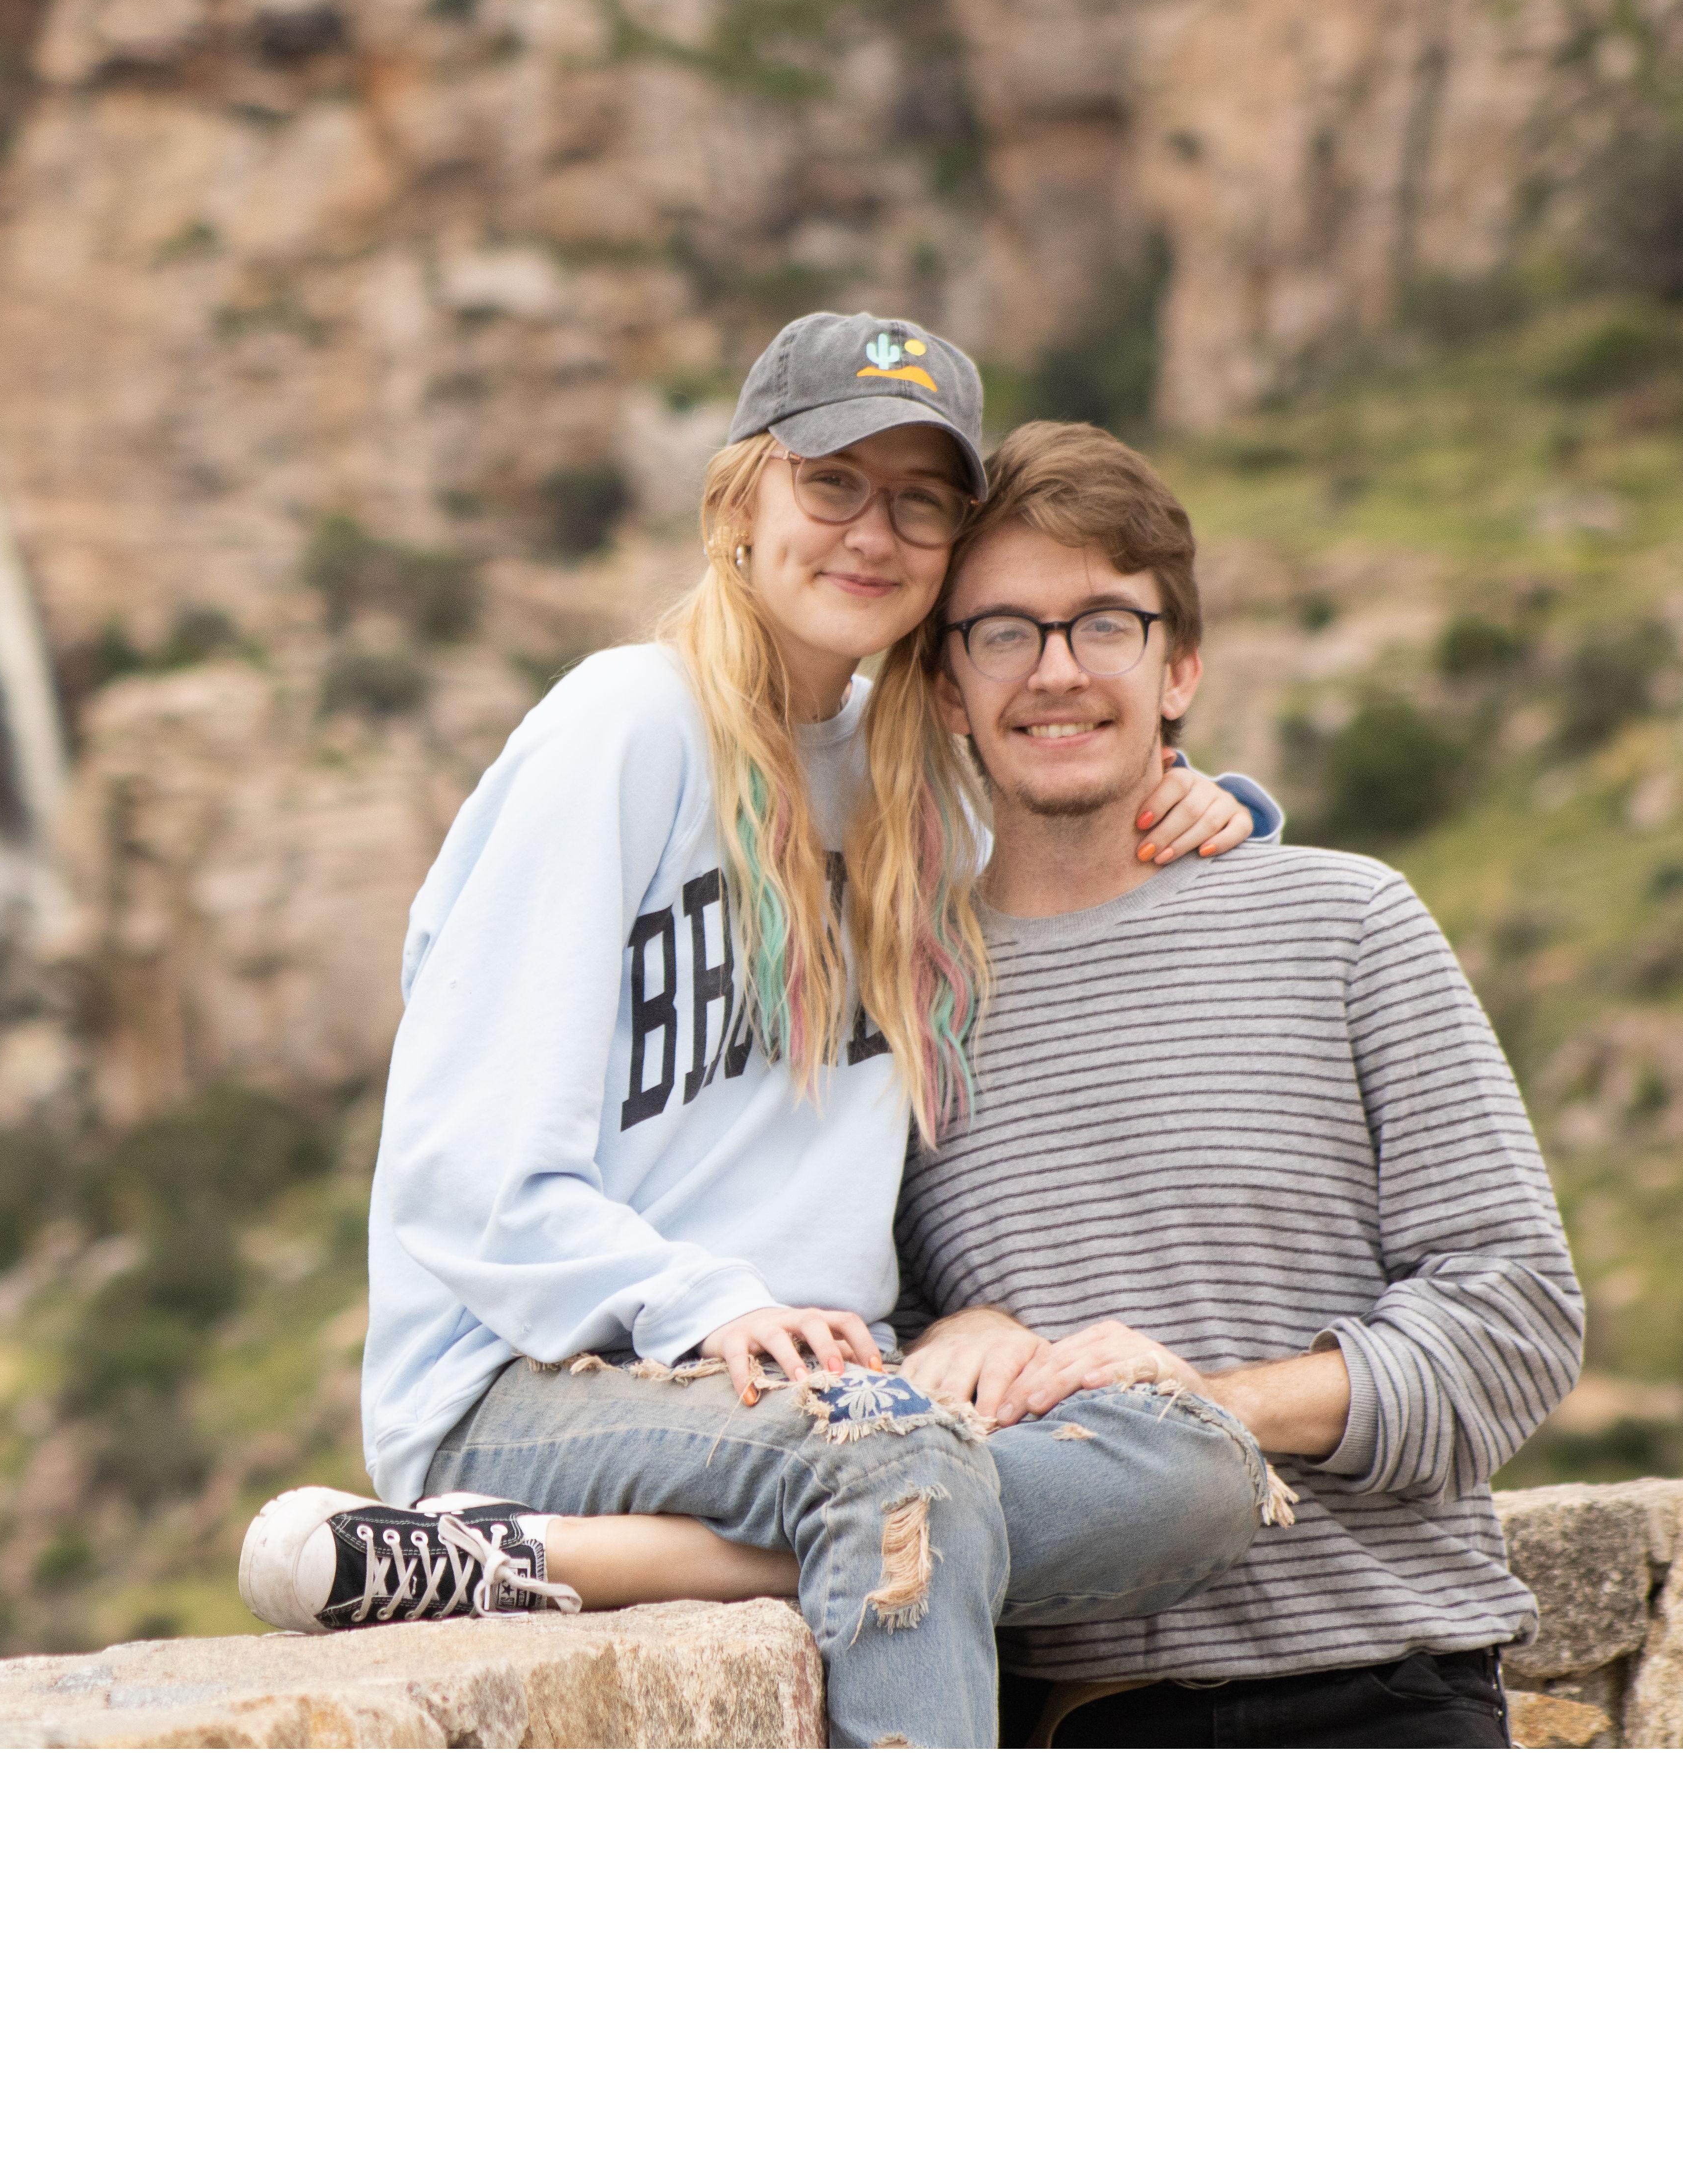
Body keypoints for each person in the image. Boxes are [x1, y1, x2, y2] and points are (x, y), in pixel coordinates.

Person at [236, 312, 1282, 1750]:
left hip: (821, 1393)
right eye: (833, 483)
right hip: (542, 1378)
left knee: (1197, 1461)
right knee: (894, 1462)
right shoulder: (621, 731)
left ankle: (538, 1563)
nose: (874, 532)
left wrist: (1225, 803)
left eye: (922, 501)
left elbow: (1087, 800)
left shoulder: (917, 778)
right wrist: (713, 1309)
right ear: (743, 501)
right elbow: (463, 1179)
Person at [893, 421, 1584, 1745]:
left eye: (1105, 623)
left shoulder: (1352, 923)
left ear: (1180, 667)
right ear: (946, 686)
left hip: (1389, 1698)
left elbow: (1517, 1313)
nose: (1056, 673)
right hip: (1068, 1724)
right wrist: (945, 1334)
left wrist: (1205, 1411)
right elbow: (862, 1340)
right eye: (1003, 633)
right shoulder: (903, 1007)